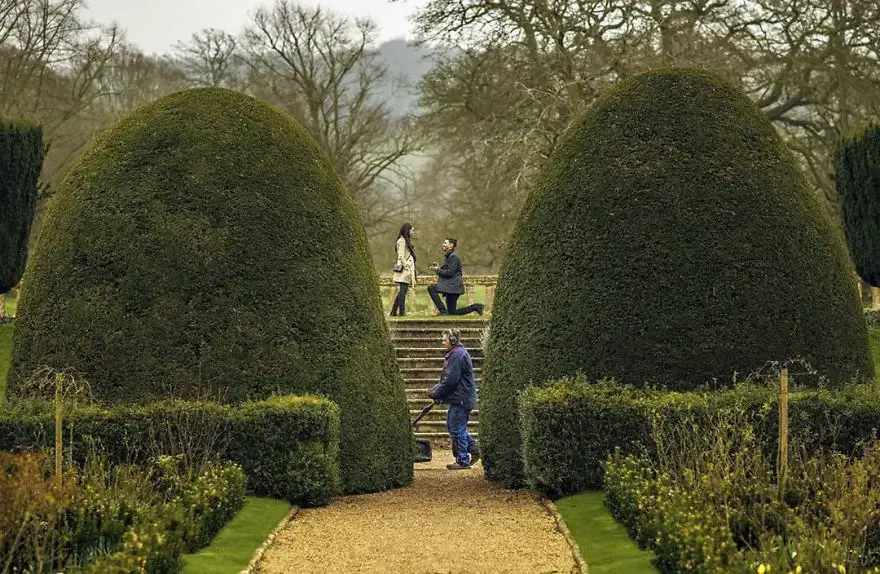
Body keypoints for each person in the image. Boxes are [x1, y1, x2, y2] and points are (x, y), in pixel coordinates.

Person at [428, 328, 480, 470]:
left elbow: (451, 380)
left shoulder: (457, 355)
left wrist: (436, 393)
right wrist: (436, 391)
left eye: (444, 340)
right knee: (454, 427)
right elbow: (447, 379)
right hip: (460, 398)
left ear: (452, 340)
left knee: (456, 428)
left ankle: (462, 460)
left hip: (461, 399)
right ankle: (475, 449)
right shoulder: (456, 354)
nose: (442, 342)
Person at [427, 238, 484, 316]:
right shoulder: (450, 256)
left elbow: (450, 272)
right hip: (451, 286)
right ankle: (476, 307)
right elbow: (447, 269)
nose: (442, 245)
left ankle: (443, 312)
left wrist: (438, 270)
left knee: (431, 288)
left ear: (451, 245)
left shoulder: (454, 257)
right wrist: (438, 268)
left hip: (453, 286)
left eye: (445, 243)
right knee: (452, 312)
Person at [391, 223, 417, 317]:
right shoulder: (402, 241)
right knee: (403, 291)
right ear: (407, 230)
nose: (413, 232)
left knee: (403, 291)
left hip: (406, 269)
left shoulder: (405, 240)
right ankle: (402, 312)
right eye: (412, 230)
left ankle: (393, 311)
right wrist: (407, 266)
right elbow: (401, 256)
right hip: (404, 269)